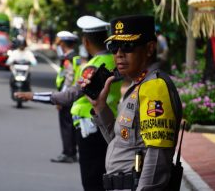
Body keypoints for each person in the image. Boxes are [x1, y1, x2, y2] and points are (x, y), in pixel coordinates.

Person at [15, 16, 121, 191]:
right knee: (102, 176)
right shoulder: (113, 61)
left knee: (91, 180)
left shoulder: (94, 66)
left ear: (86, 42)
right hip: (106, 125)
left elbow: (69, 96)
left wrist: (33, 96)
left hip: (91, 128)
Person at [85, 15, 182, 190]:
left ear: (150, 48)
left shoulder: (155, 87)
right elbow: (120, 142)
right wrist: (100, 107)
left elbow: (157, 156)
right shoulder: (137, 85)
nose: (119, 54)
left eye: (127, 46)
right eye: (114, 47)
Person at [51, 31, 80, 163]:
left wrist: (61, 97)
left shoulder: (68, 59)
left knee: (66, 125)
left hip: (67, 95)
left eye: (59, 41)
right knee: (71, 125)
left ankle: (68, 153)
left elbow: (68, 79)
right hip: (74, 95)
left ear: (63, 43)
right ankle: (72, 152)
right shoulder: (76, 57)